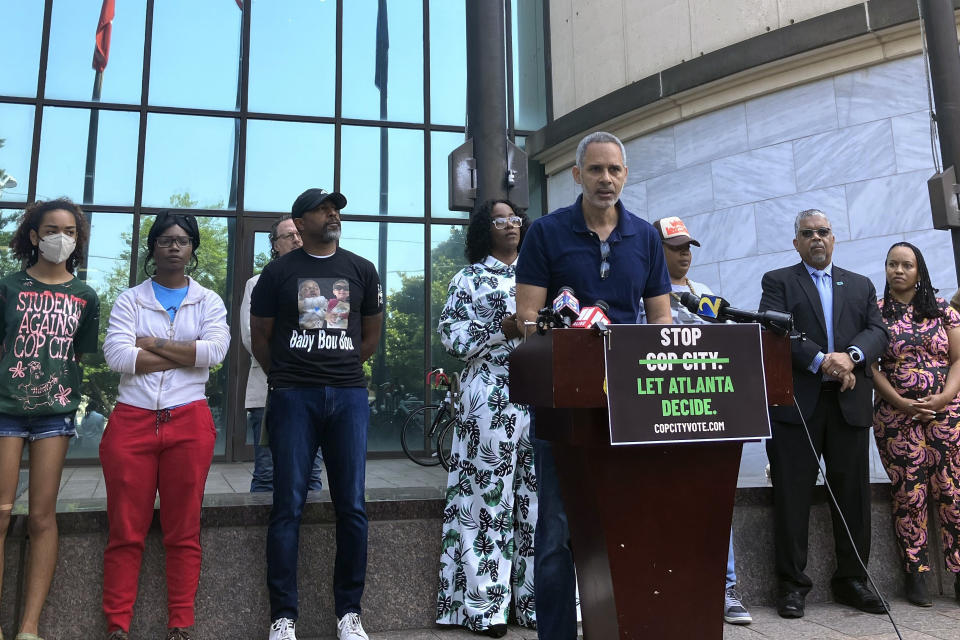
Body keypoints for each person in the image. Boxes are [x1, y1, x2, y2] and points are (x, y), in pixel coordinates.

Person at [515, 131, 672, 640]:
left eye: (615, 170)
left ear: (625, 176)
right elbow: (526, 317)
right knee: (558, 532)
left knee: (626, 529)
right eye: (597, 170)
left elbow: (661, 323)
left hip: (631, 407)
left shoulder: (646, 236)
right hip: (563, 409)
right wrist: (569, 330)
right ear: (577, 175)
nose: (607, 179)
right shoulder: (545, 232)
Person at [250, 188, 384, 640]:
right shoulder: (279, 272)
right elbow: (261, 335)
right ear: (300, 220)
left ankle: (350, 613)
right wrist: (286, 377)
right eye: (323, 208)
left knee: (353, 506)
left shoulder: (361, 269)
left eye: (336, 209)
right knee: (286, 505)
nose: (332, 214)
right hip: (293, 397)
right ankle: (283, 617)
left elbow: (369, 335)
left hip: (347, 397)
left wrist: (339, 366)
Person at [100, 211, 230, 640]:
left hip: (189, 421)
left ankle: (180, 623)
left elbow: (214, 353)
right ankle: (117, 624)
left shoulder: (208, 301)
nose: (174, 246)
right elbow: (119, 358)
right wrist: (184, 351)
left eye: (183, 240)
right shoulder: (129, 300)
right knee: (125, 529)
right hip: (131, 422)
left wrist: (152, 343)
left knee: (183, 529)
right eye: (165, 240)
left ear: (193, 249)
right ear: (152, 247)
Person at [758, 209, 888, 619]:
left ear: (834, 239)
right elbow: (774, 328)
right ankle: (792, 586)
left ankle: (853, 580)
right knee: (792, 494)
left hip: (848, 405)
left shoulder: (861, 285)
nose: (817, 238)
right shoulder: (778, 281)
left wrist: (850, 358)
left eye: (823, 232)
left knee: (853, 495)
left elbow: (877, 332)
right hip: (798, 404)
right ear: (796, 242)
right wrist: (821, 361)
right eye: (807, 233)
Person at [637, 216, 752, 626]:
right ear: (655, 251)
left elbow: (724, 342)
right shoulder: (640, 294)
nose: (685, 253)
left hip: (706, 412)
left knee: (713, 498)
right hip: (657, 416)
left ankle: (725, 590)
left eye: (688, 247)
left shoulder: (704, 295)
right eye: (675, 247)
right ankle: (663, 587)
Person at [435, 199, 536, 637]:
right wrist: (502, 330)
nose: (510, 225)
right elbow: (451, 338)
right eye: (500, 220)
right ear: (484, 229)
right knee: (486, 502)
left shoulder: (540, 277)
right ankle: (486, 606)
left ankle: (535, 604)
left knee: (538, 502)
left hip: (540, 395)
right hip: (489, 393)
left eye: (515, 218)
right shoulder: (469, 277)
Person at [0, 198, 100, 640]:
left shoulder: (85, 296)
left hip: (54, 415)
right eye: (53, 229)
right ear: (35, 235)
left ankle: (29, 627)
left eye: (71, 231)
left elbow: (76, 354)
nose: (62, 238)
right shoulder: (8, 286)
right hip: (5, 410)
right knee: (0, 514)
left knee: (42, 517)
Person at [872, 242, 960, 606]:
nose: (898, 270)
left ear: (919, 271)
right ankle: (916, 575)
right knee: (909, 493)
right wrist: (900, 402)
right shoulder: (874, 314)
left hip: (947, 414)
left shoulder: (945, 312)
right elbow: (871, 366)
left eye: (906, 265)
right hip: (896, 418)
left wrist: (940, 399)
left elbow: (958, 360)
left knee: (952, 491)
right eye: (892, 264)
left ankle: (958, 573)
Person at [239, 214, 323, 493]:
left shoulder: (317, 286)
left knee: (311, 475)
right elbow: (253, 339)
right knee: (267, 474)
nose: (297, 239)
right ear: (275, 245)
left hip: (313, 392)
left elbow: (323, 340)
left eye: (299, 233)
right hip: (267, 391)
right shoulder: (257, 283)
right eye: (289, 235)